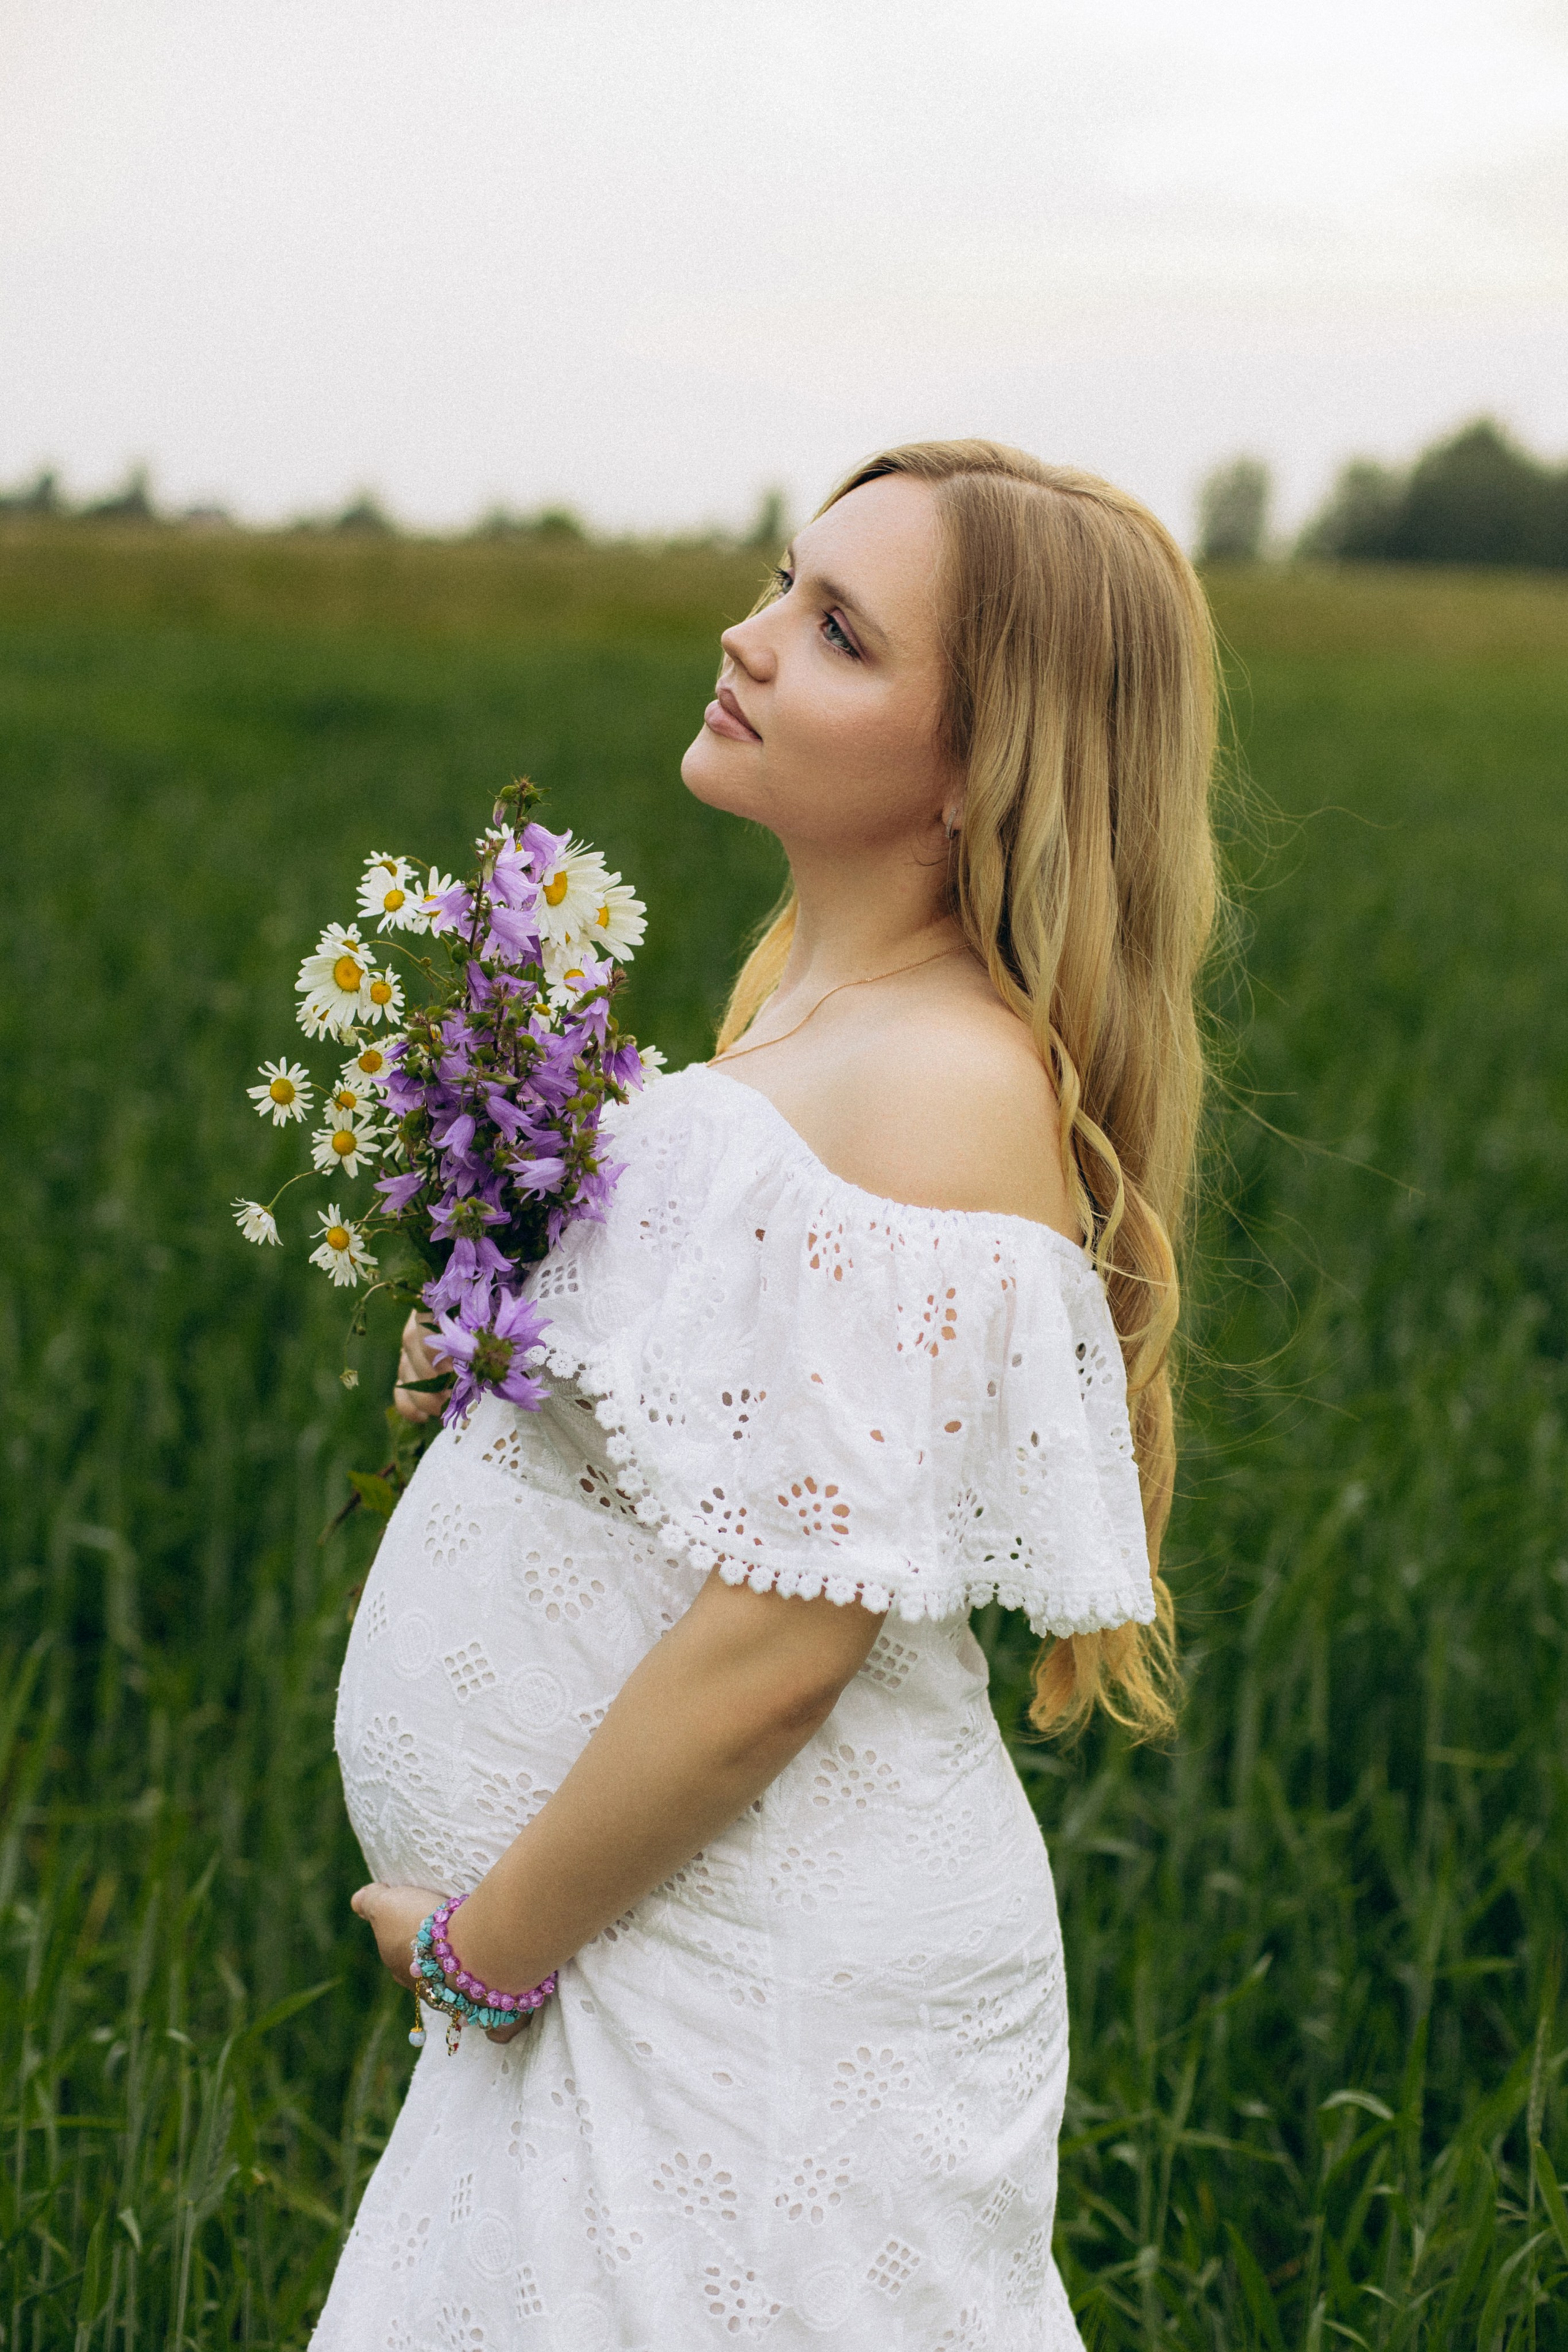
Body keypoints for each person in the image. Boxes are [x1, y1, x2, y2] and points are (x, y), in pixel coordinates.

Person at [314, 439, 1218, 2350]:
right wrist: (501, 1352)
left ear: (980, 762)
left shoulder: (944, 1088)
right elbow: (715, 1435)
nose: (746, 637)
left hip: (739, 1989)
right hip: (649, 1963)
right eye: (781, 583)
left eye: (836, 629)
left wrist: (492, 1957)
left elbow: (777, 1649)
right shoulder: (796, 1020)